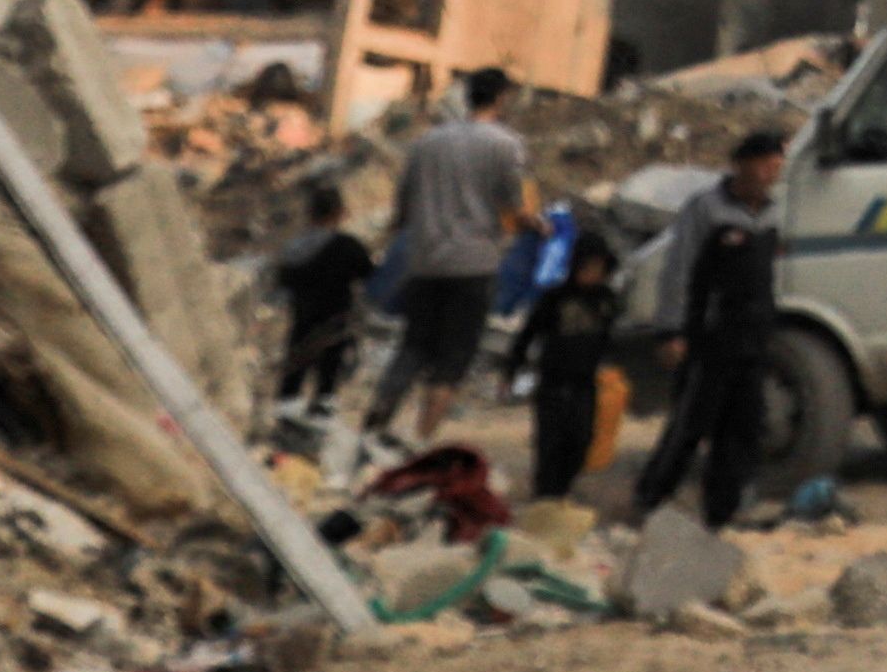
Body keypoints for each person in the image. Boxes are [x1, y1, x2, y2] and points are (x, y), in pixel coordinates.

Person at [632, 127, 793, 530]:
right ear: (743, 165)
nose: (772, 172)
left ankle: (720, 511)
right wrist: (671, 331)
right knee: (692, 422)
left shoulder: (772, 213)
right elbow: (678, 271)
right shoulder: (706, 209)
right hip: (710, 338)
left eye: (777, 165)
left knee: (743, 426)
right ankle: (652, 498)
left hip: (752, 338)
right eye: (766, 163)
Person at [373, 66, 528, 443]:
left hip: (426, 261)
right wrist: (536, 226)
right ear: (502, 98)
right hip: (474, 265)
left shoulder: (427, 142)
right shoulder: (505, 144)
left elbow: (402, 209)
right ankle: (420, 440)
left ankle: (373, 427)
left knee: (412, 346)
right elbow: (514, 206)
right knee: (452, 360)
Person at [513, 227, 628, 507]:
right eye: (588, 267)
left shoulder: (607, 301)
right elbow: (528, 334)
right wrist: (511, 369)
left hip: (585, 384)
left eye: (598, 268)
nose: (592, 273)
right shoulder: (554, 298)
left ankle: (561, 493)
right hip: (552, 382)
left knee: (580, 441)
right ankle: (545, 499)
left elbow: (611, 340)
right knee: (550, 444)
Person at [262, 189, 373, 417]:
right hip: (336, 318)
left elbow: (281, 283)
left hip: (302, 315)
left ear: (309, 213)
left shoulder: (294, 247)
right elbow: (370, 276)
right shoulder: (348, 246)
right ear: (340, 213)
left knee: (297, 360)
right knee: (330, 367)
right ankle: (321, 408)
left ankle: (286, 408)